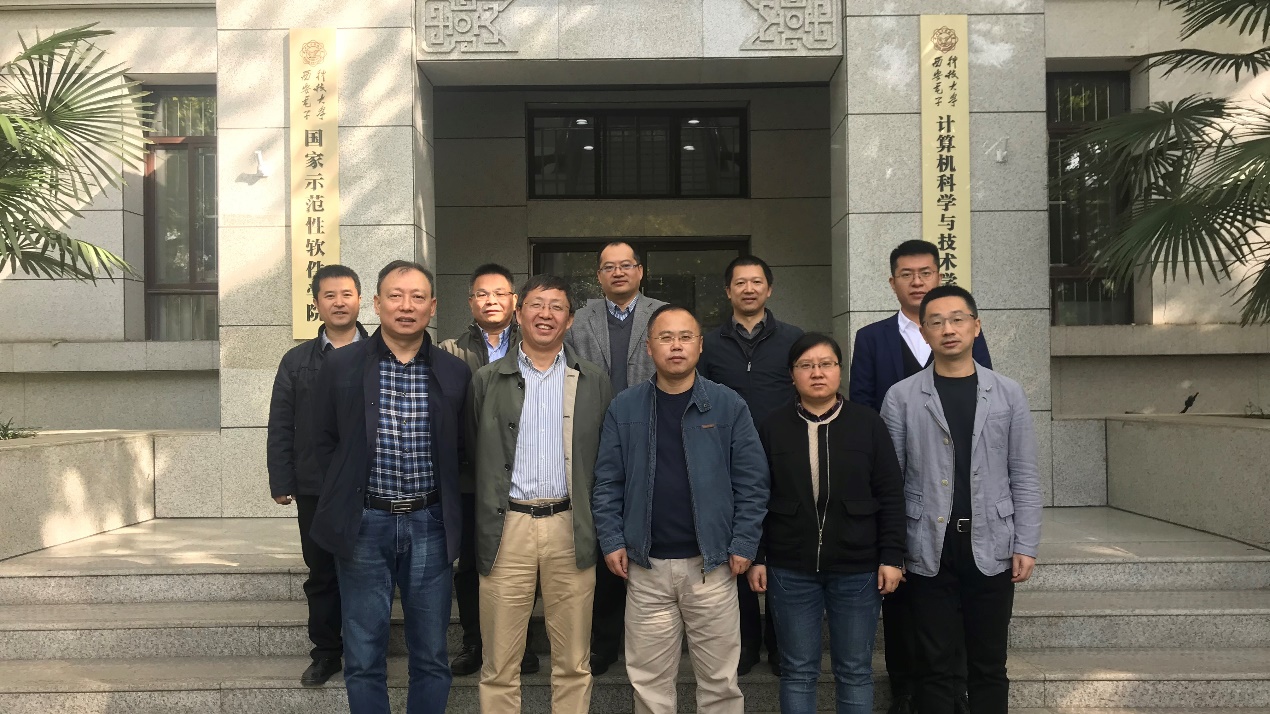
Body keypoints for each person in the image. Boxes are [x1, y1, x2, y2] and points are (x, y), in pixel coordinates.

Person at [309, 260, 471, 714]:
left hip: (430, 523)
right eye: (396, 296)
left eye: (417, 297)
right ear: (377, 303)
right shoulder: (341, 365)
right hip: (364, 523)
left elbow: (463, 448)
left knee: (431, 655)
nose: (406, 306)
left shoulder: (454, 372)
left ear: (432, 306)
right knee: (363, 656)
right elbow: (322, 442)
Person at [593, 304, 769, 714]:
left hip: (713, 566)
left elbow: (753, 482)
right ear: (649, 347)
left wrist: (744, 542)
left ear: (700, 345)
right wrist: (612, 539)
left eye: (685, 337)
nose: (676, 346)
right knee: (649, 685)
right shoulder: (625, 407)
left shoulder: (728, 405)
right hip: (646, 567)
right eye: (666, 337)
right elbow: (607, 481)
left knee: (720, 683)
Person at [880, 285, 1043, 714]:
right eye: (936, 322)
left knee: (989, 663)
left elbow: (1024, 474)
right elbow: (890, 483)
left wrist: (1026, 543)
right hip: (927, 545)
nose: (948, 329)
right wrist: (892, 550)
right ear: (923, 332)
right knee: (932, 665)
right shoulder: (901, 396)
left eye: (957, 319)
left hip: (992, 541)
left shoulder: (1007, 393)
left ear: (976, 326)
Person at [849, 239, 990, 714]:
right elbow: (863, 402)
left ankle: (956, 686)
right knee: (902, 590)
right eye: (906, 274)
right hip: (898, 480)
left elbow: (980, 400)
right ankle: (905, 687)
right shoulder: (872, 337)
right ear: (892, 282)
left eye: (925, 272)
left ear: (938, 276)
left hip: (956, 483)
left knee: (956, 599)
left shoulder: (963, 331)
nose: (916, 281)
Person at [469, 275, 614, 713]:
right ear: (518, 313)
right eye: (536, 304)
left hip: (570, 525)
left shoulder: (593, 380)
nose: (545, 314)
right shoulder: (487, 379)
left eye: (556, 307)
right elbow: (472, 453)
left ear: (569, 320)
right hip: (507, 527)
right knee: (499, 662)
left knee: (573, 661)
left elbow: (606, 460)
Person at [748, 332, 905, 714]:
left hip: (857, 568)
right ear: (792, 374)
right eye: (806, 365)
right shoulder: (772, 426)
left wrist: (892, 556)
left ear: (839, 370)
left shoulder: (868, 424)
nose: (817, 373)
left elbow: (890, 494)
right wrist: (758, 556)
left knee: (854, 670)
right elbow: (756, 496)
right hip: (790, 566)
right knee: (797, 671)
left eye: (826, 364)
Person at [564, 240, 666, 676]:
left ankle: (654, 641)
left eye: (626, 265)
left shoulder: (663, 314)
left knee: (652, 533)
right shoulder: (579, 319)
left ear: (640, 271)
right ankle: (604, 643)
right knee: (605, 534)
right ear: (599, 275)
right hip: (596, 438)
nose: (618, 272)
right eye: (609, 267)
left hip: (653, 433)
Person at [698, 254, 802, 675]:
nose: (748, 289)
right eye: (740, 282)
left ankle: (780, 644)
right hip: (727, 462)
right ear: (728, 291)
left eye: (756, 281)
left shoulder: (793, 339)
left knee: (782, 552)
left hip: (785, 459)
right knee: (736, 553)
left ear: (769, 289)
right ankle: (744, 645)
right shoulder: (709, 343)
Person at [267, 264, 367, 686]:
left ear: (361, 300)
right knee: (322, 572)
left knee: (367, 571)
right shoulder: (296, 361)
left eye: (346, 294)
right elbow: (281, 423)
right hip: (316, 486)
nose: (339, 303)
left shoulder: (381, 353)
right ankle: (326, 653)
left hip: (370, 484)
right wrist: (282, 480)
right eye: (330, 295)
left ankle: (366, 651)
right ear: (316, 304)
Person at [437, 263, 538, 677]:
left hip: (522, 476)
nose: (491, 301)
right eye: (482, 294)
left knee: (521, 561)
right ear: (470, 302)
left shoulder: (535, 347)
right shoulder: (449, 351)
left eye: (500, 293)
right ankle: (475, 642)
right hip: (469, 478)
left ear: (515, 302)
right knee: (471, 564)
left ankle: (520, 643)